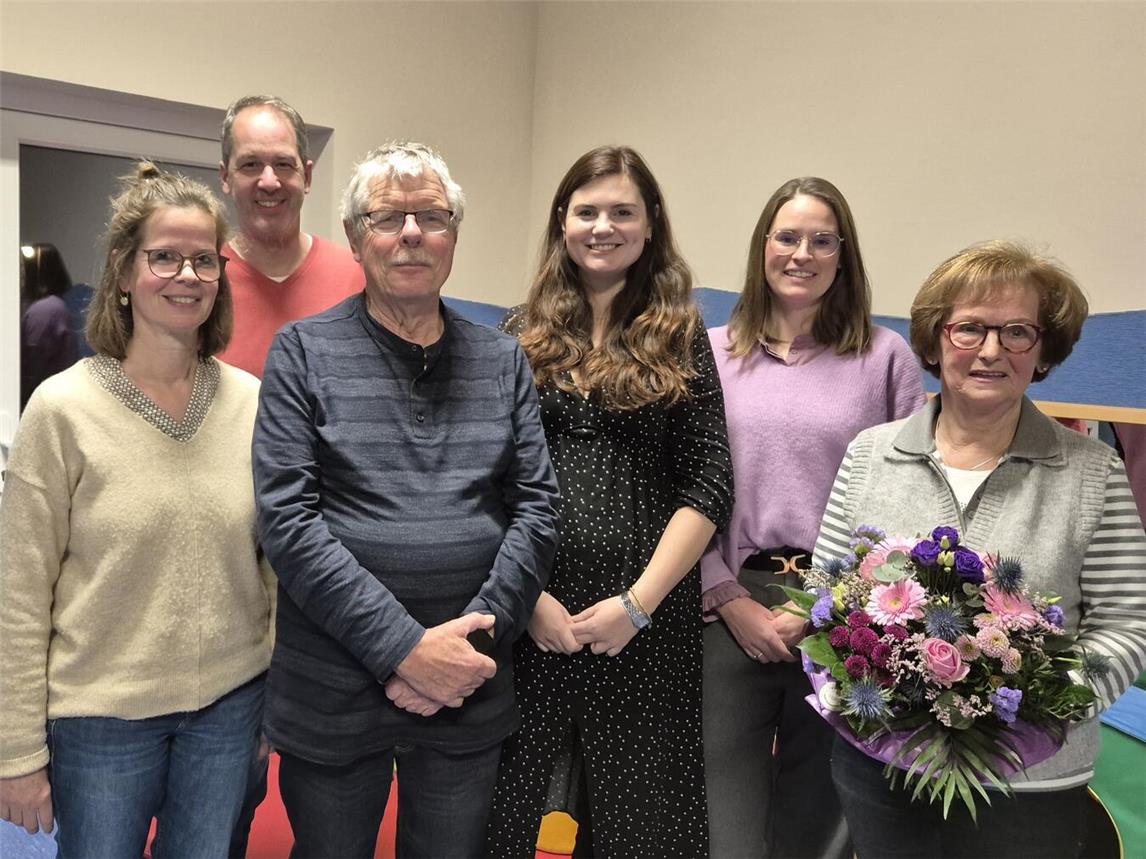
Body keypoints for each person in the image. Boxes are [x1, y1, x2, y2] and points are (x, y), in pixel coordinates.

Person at [252, 141, 560, 859]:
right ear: (358, 238)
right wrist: (405, 651)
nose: (413, 233)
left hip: (468, 686)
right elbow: (289, 525)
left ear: (454, 235)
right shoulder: (301, 353)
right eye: (389, 217)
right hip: (332, 687)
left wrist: (461, 654)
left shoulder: (503, 359)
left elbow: (537, 510)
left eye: (432, 215)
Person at [814, 240, 1146, 858]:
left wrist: (1029, 713)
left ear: (1042, 349)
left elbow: (1126, 623)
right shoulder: (869, 454)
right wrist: (870, 695)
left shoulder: (1093, 473)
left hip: (1031, 778)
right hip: (882, 765)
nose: (991, 350)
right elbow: (825, 594)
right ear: (936, 340)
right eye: (969, 328)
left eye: (1017, 331)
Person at [0, 162, 274, 858]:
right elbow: (20, 592)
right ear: (124, 273)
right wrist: (17, 752)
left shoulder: (252, 401)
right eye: (165, 257)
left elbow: (273, 563)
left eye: (204, 259)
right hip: (101, 720)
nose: (187, 274)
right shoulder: (61, 408)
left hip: (228, 708)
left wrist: (275, 700)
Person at [486, 145, 734, 857]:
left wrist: (637, 605)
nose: (603, 225)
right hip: (533, 614)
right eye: (586, 210)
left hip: (647, 624)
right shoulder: (516, 334)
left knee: (641, 825)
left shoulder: (683, 335)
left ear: (650, 224)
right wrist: (527, 599)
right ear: (562, 222)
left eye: (622, 211)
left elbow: (709, 482)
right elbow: (489, 478)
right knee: (512, 814)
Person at [700, 177, 925, 859]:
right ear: (762, 246)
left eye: (821, 240)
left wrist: (827, 604)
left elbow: (908, 498)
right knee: (721, 816)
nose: (803, 253)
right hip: (726, 604)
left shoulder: (886, 358)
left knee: (822, 815)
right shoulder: (708, 352)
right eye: (787, 236)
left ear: (842, 253)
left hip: (847, 612)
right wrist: (724, 594)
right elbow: (681, 488)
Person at [217, 94, 363, 378]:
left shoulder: (357, 275)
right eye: (250, 164)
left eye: (284, 164)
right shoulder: (201, 282)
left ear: (307, 177)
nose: (269, 181)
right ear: (226, 178)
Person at [20, 243, 79, 409]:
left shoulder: (46, 309)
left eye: (25, 268)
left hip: (40, 402)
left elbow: (33, 364)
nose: (22, 274)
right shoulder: (51, 306)